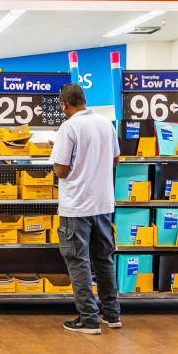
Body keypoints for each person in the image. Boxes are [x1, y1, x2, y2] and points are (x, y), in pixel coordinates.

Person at [49, 83, 121, 335]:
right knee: (104, 259)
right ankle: (112, 315)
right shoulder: (106, 124)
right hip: (103, 204)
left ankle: (88, 319)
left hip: (76, 207)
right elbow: (115, 160)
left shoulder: (69, 127)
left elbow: (60, 169)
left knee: (78, 261)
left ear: (64, 104)